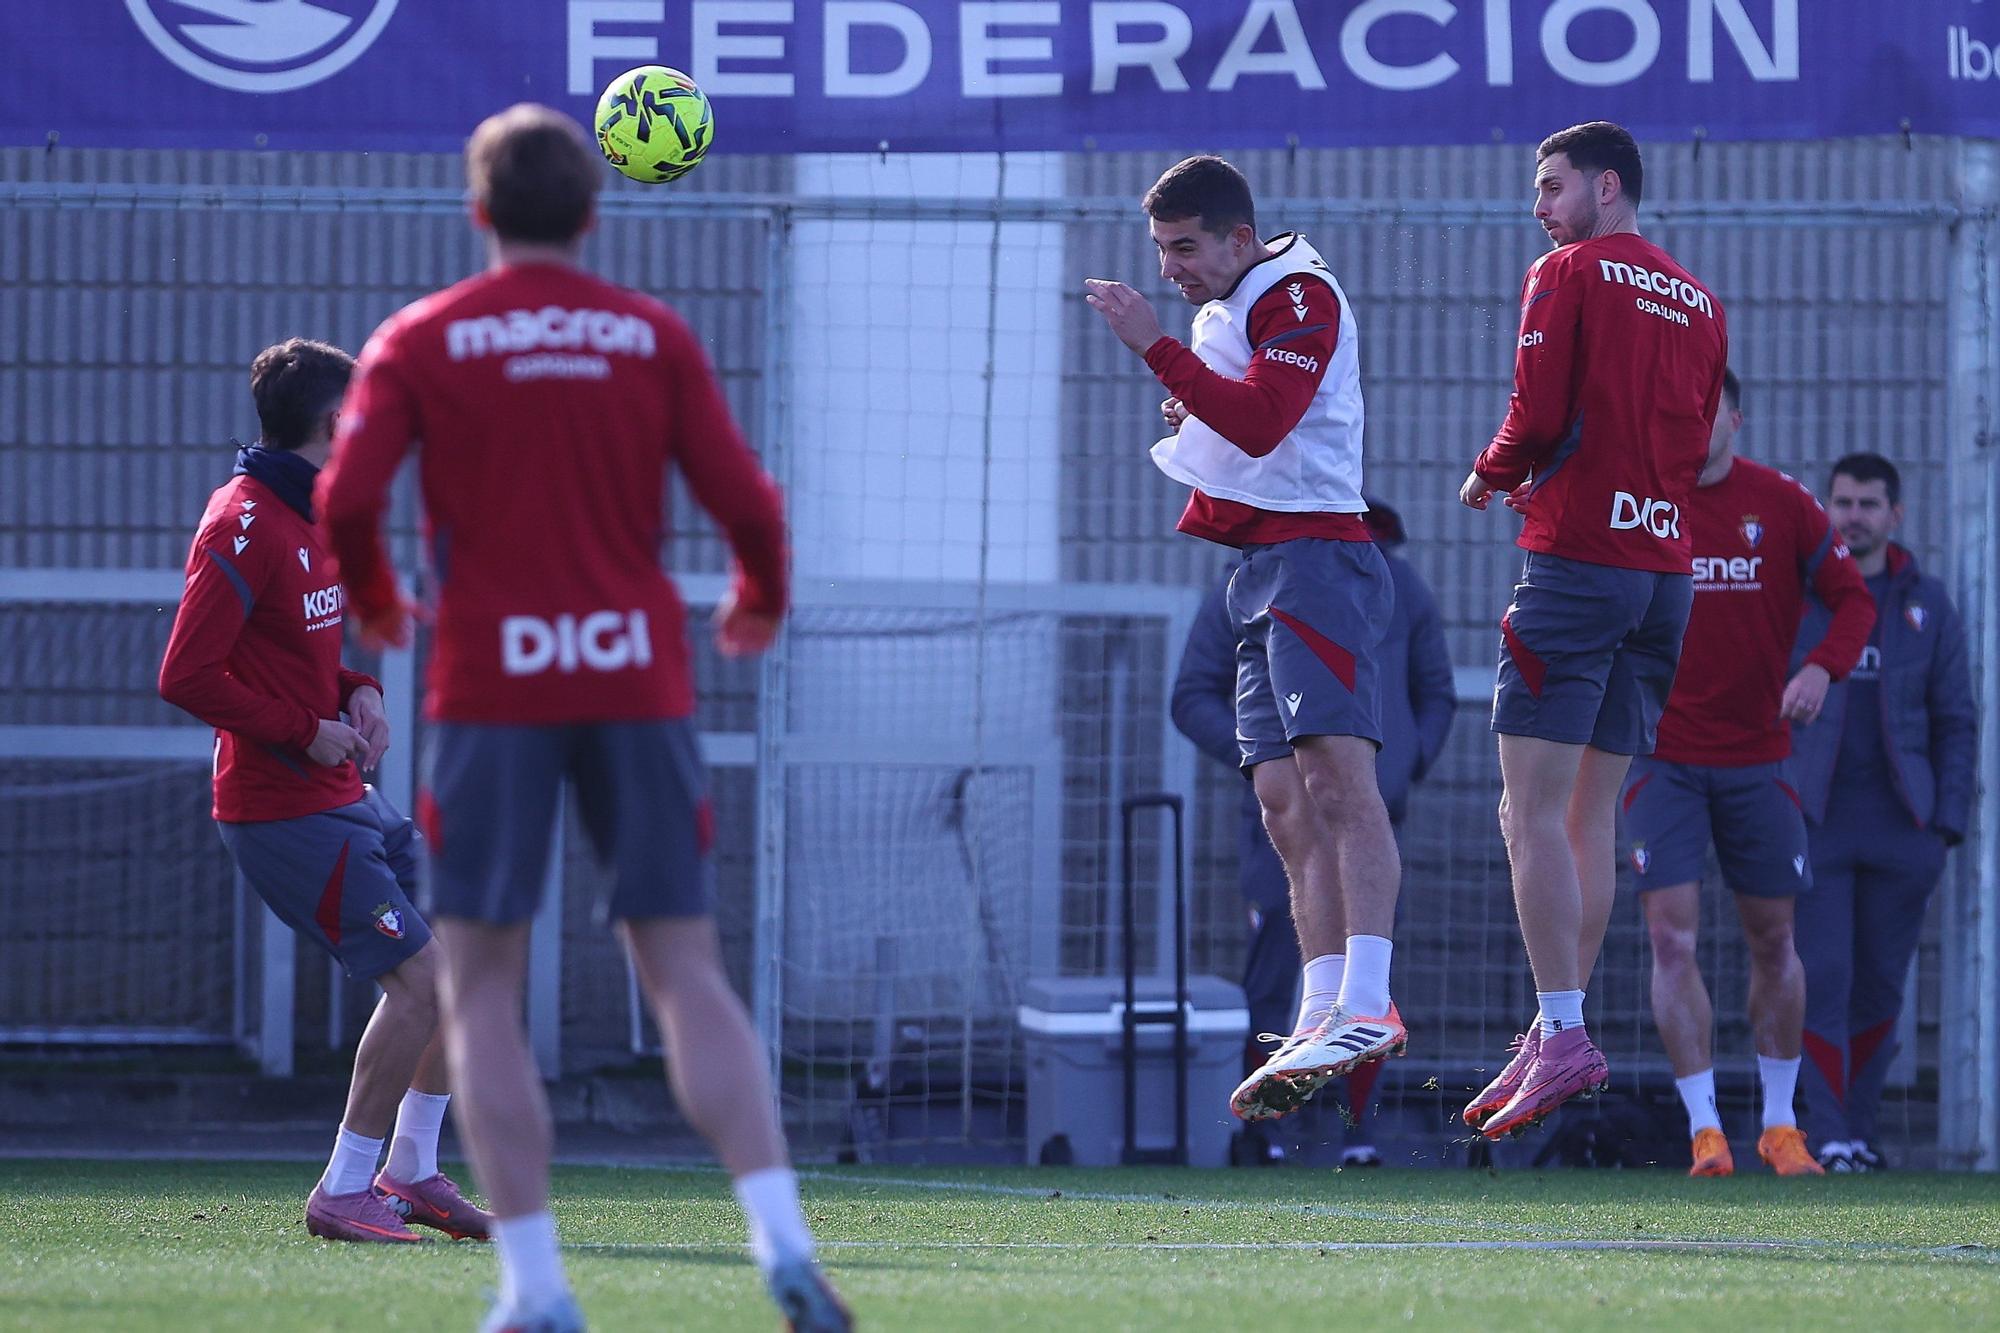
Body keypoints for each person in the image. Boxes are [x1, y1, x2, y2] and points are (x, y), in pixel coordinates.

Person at [316, 105, 847, 1332]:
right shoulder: (644, 332)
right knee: (683, 969)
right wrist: (758, 601)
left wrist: (386, 606)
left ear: (478, 210)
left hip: (495, 689)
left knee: (484, 988)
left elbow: (348, 496)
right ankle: (780, 1238)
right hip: (635, 677)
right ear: (594, 211)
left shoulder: (424, 337)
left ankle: (538, 1285)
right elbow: (747, 499)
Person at [1086, 154, 1407, 1125]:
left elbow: (1268, 422)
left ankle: (1367, 999)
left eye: (1184, 247)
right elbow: (1240, 423)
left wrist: (1155, 351)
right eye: (1159, 250)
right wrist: (1191, 402)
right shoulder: (1222, 310)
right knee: (1278, 797)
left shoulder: (1295, 290)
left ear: (1236, 236)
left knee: (1338, 784)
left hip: (1317, 558)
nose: (1170, 268)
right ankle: (1316, 1008)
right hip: (1256, 569)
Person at [158, 338, 490, 1245]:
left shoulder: (319, 515)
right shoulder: (244, 519)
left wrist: (357, 691)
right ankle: (343, 1189)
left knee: (463, 960)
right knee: (421, 983)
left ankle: (413, 1171)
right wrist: (306, 731)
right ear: (337, 422)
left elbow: (299, 658)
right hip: (281, 809)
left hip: (344, 791)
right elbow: (186, 673)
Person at [1457, 121, 1728, 1140]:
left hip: (1575, 567)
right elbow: (1694, 444)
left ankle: (1563, 1029)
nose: (1538, 204)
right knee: (1587, 821)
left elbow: (1532, 416)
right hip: (1663, 577)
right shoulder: (1699, 302)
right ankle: (1551, 1022)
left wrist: (1488, 470)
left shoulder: (1563, 270)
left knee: (1523, 813)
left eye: (1551, 183)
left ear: (1604, 186)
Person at [1621, 369, 1872, 1177]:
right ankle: (1704, 1130)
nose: (1694, 424)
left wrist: (1823, 669)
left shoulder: (1787, 504)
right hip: (1663, 757)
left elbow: (1854, 599)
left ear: (1736, 416)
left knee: (1774, 939)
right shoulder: (1644, 501)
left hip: (1759, 760)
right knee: (1670, 938)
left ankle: (1778, 1124)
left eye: (1708, 409)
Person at [1172, 500, 1455, 1165]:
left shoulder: (1396, 583)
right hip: (1284, 824)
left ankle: (1357, 1130)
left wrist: (1402, 766)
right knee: (1277, 965)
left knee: (1369, 970)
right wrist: (1265, 762)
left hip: (1370, 810)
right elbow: (1192, 694)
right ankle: (1268, 1128)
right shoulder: (1246, 586)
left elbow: (1435, 690)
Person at [1790, 452, 1977, 1171]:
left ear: (1895, 514)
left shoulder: (1926, 605)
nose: (1854, 516)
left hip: (1905, 829)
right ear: (1826, 510)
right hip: (1818, 821)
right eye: (1842, 502)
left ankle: (1857, 1136)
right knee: (1823, 976)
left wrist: (1945, 823)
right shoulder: (1803, 599)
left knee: (1879, 987)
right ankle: (1826, 1133)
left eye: (1869, 503)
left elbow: (1956, 719)